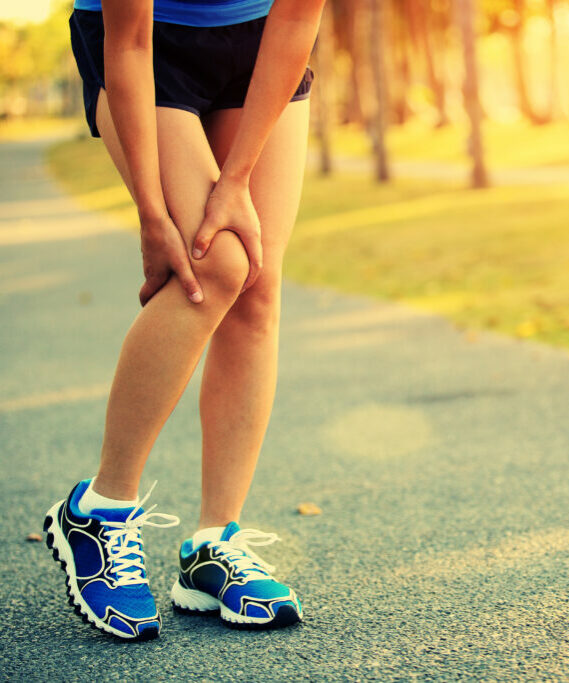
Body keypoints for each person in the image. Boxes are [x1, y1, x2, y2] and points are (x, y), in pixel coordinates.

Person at [42, 0, 326, 640]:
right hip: (148, 48)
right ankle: (101, 507)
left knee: (256, 280)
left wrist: (238, 179)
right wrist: (151, 213)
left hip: (261, 40)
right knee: (216, 264)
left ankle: (212, 545)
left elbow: (296, 17)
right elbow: (131, 42)